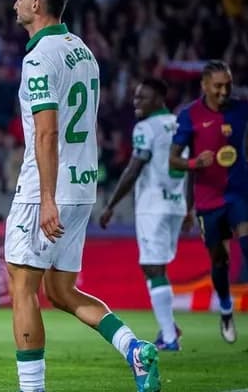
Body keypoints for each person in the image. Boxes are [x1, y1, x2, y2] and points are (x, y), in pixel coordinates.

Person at [4, 0, 160, 392]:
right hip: (83, 184)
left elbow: (48, 131)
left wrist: (48, 198)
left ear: (37, 5)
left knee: (22, 287)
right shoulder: (83, 52)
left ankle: (32, 389)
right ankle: (134, 350)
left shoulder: (39, 57)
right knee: (60, 290)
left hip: (46, 190)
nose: (14, 3)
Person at [169, 60, 248, 343]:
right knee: (219, 260)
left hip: (240, 189)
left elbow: (243, 133)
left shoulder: (241, 107)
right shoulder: (190, 116)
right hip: (209, 197)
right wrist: (195, 161)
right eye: (218, 86)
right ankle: (225, 308)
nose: (224, 91)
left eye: (228, 85)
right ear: (205, 86)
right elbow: (173, 158)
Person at [100, 78, 187, 351]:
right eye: (136, 98)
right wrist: (191, 206)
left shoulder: (145, 128)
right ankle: (169, 329)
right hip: (176, 203)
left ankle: (170, 337)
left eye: (143, 98)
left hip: (153, 205)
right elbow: (190, 167)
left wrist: (111, 204)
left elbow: (134, 168)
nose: (136, 103)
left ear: (160, 98)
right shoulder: (180, 124)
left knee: (152, 267)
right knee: (156, 267)